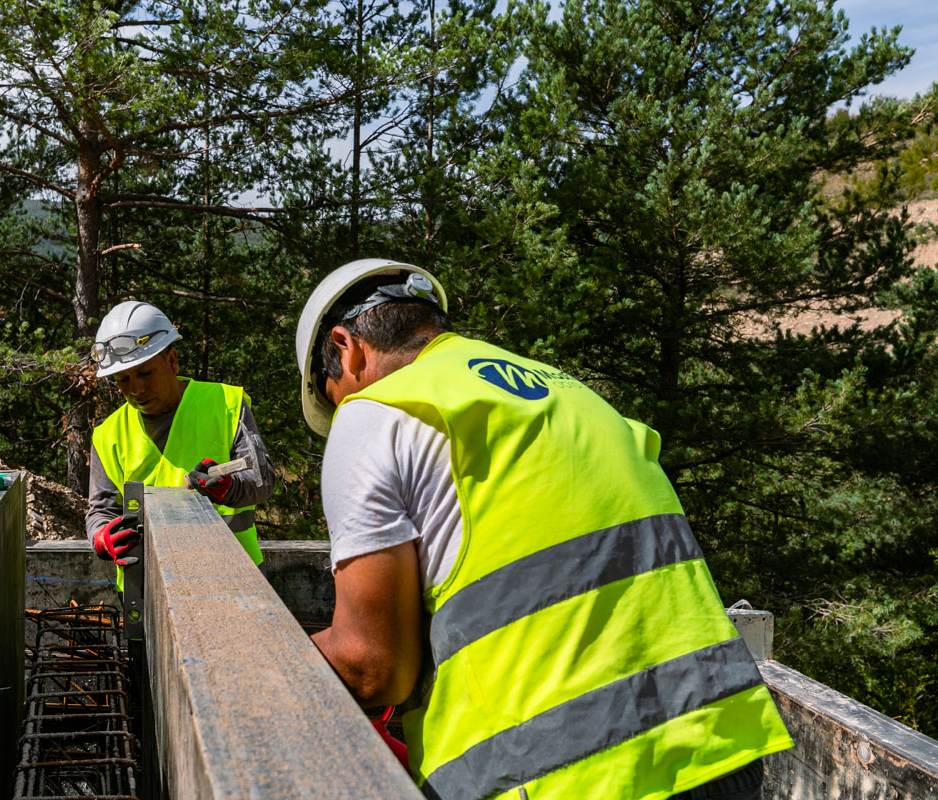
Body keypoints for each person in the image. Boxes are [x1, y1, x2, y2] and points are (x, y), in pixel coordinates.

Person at [294, 259, 793, 800]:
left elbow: (374, 666)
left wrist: (265, 661)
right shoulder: (571, 394)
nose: (342, 409)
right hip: (718, 748)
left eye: (332, 393)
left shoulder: (376, 412)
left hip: (564, 773)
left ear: (346, 348)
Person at [86, 300, 275, 582]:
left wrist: (228, 488)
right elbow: (101, 511)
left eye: (146, 373)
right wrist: (102, 538)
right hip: (147, 584)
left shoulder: (225, 404)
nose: (136, 389)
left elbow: (264, 480)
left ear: (172, 361)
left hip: (233, 576)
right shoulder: (108, 434)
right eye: (122, 379)